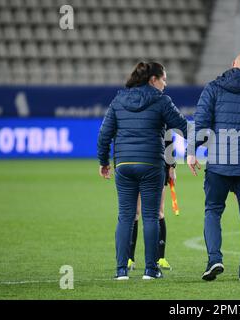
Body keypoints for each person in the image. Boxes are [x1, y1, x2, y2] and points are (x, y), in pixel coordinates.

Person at [187, 52, 240, 281]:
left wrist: (192, 151)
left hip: (218, 164)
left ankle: (214, 259)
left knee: (213, 211)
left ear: (233, 65)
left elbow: (202, 122)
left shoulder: (214, 88)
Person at [97, 61, 188, 280]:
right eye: (164, 79)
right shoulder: (162, 101)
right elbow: (182, 126)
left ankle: (121, 271)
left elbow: (104, 135)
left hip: (124, 165)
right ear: (153, 80)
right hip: (151, 165)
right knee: (150, 217)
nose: (165, 84)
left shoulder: (118, 100)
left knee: (125, 217)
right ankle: (150, 270)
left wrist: (104, 162)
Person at [127, 162, 176, 271]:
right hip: (134, 166)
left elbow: (169, 145)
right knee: (134, 212)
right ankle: (129, 258)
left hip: (156, 167)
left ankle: (161, 258)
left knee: (158, 212)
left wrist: (172, 167)